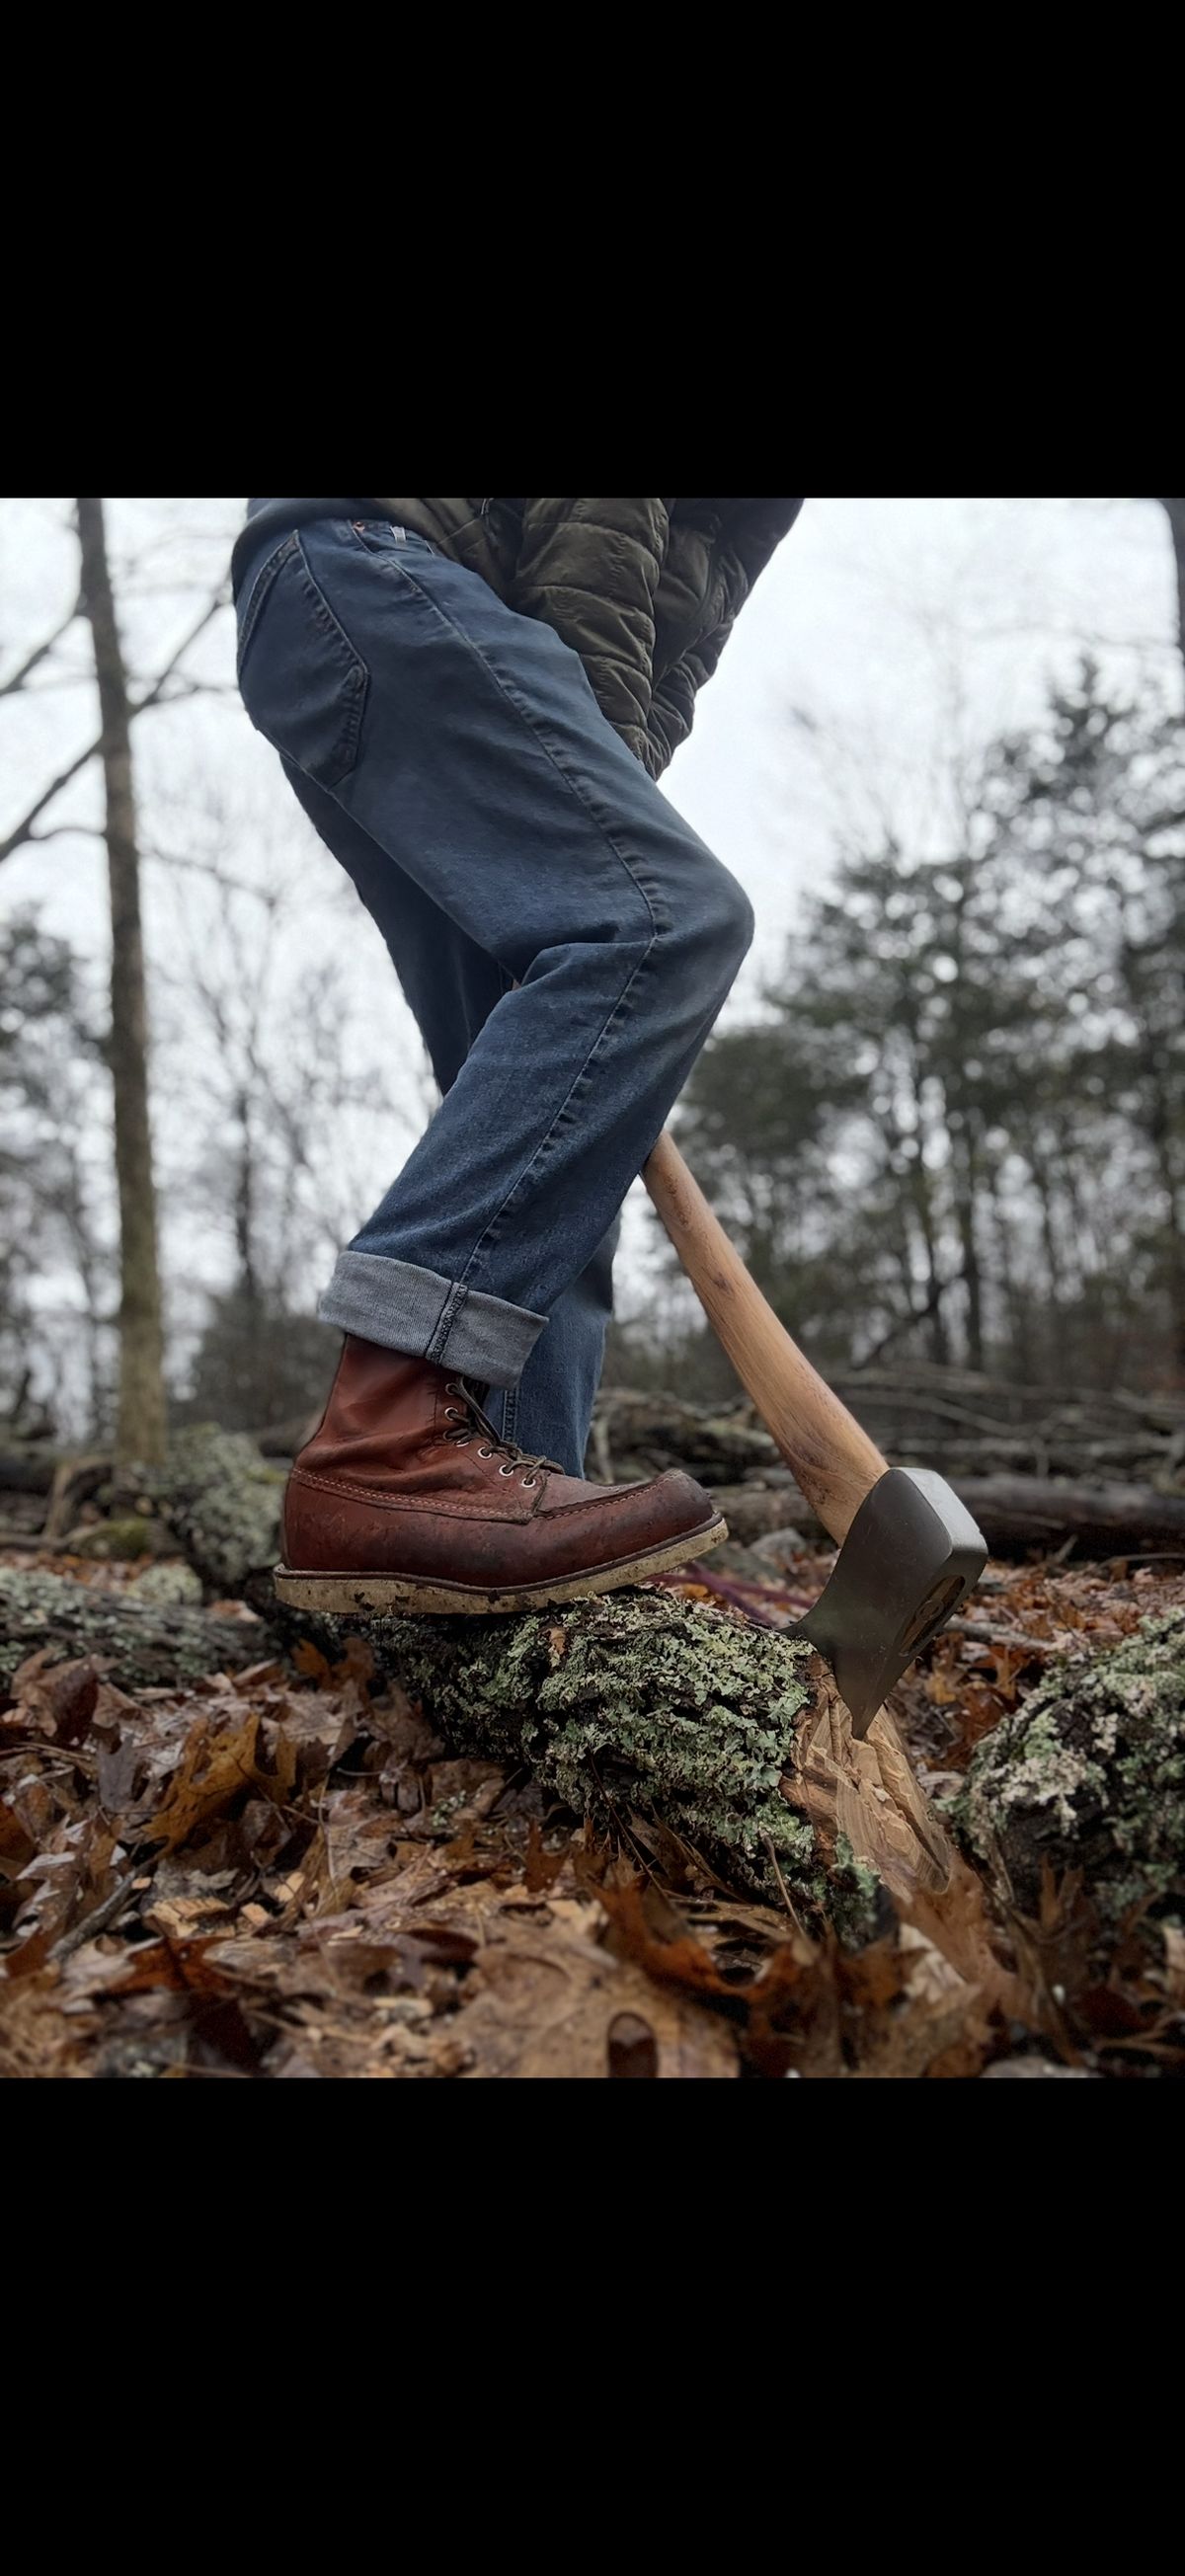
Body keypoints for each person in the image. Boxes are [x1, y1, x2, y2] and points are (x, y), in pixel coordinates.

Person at [231, 496, 804, 1610]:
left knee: (555, 1158)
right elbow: (595, 542)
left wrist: (592, 811)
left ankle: (490, 1524)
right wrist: (600, 846)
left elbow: (672, 657)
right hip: (376, 573)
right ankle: (385, 1432)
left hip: (358, 617)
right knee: (667, 921)